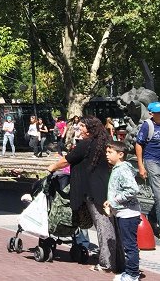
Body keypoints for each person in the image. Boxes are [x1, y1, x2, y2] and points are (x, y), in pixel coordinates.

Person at [47, 116, 117, 273]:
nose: (79, 130)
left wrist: (51, 167)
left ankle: (107, 262)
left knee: (102, 226)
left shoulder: (86, 144)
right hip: (105, 188)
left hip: (93, 191)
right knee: (108, 225)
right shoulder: (105, 142)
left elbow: (67, 160)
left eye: (82, 127)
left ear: (90, 129)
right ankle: (114, 257)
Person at [104, 140, 141, 281]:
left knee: (130, 245)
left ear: (120, 154)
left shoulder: (123, 169)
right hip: (123, 212)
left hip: (128, 213)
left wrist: (114, 200)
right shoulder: (118, 168)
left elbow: (133, 189)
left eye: (110, 152)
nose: (107, 155)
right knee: (128, 245)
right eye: (106, 152)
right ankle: (129, 272)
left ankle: (132, 274)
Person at [135, 101, 160, 237]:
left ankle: (152, 217)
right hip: (152, 161)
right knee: (159, 194)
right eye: (158, 113)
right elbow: (139, 145)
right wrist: (141, 165)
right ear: (151, 113)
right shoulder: (147, 126)